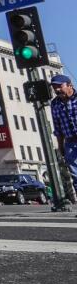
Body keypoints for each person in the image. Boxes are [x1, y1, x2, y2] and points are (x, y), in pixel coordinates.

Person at [49, 74, 77, 206]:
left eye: (60, 86)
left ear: (69, 85)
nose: (57, 90)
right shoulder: (55, 104)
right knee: (75, 175)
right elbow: (57, 127)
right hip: (70, 143)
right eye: (54, 87)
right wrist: (60, 146)